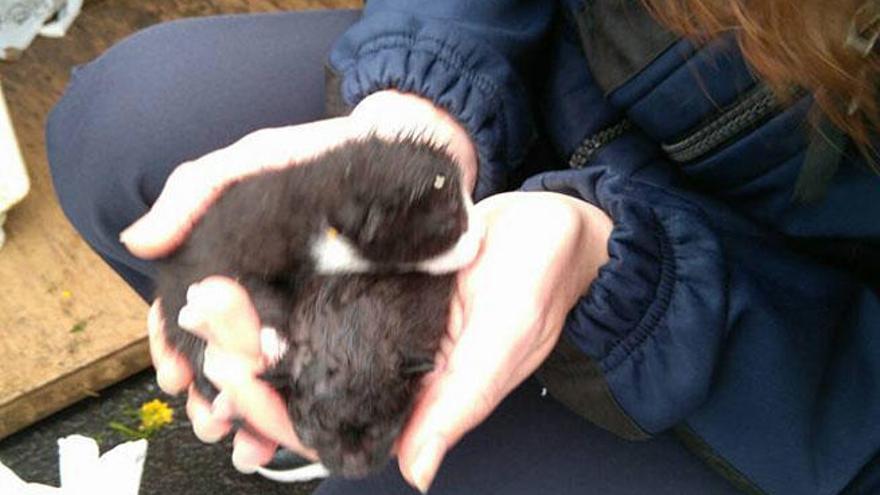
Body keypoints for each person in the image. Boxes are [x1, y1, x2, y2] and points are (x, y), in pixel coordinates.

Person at [46, 1, 879, 493]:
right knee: (129, 132)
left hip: (779, 350)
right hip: (562, 100)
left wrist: (615, 270)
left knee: (389, 472)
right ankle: (314, 405)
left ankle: (369, 422)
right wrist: (420, 106)